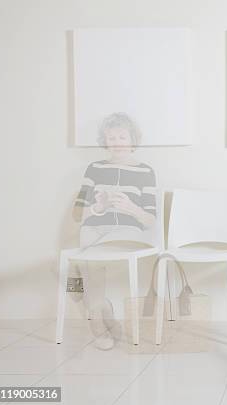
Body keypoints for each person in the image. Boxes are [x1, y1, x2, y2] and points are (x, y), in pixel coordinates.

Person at [72, 112, 157, 350]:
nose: (118, 142)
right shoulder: (94, 168)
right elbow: (77, 214)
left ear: (132, 139)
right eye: (112, 137)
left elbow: (150, 220)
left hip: (126, 232)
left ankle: (89, 295)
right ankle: (99, 318)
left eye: (122, 136)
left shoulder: (145, 171)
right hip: (94, 228)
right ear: (105, 141)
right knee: (89, 249)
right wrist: (98, 207)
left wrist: (131, 208)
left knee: (89, 257)